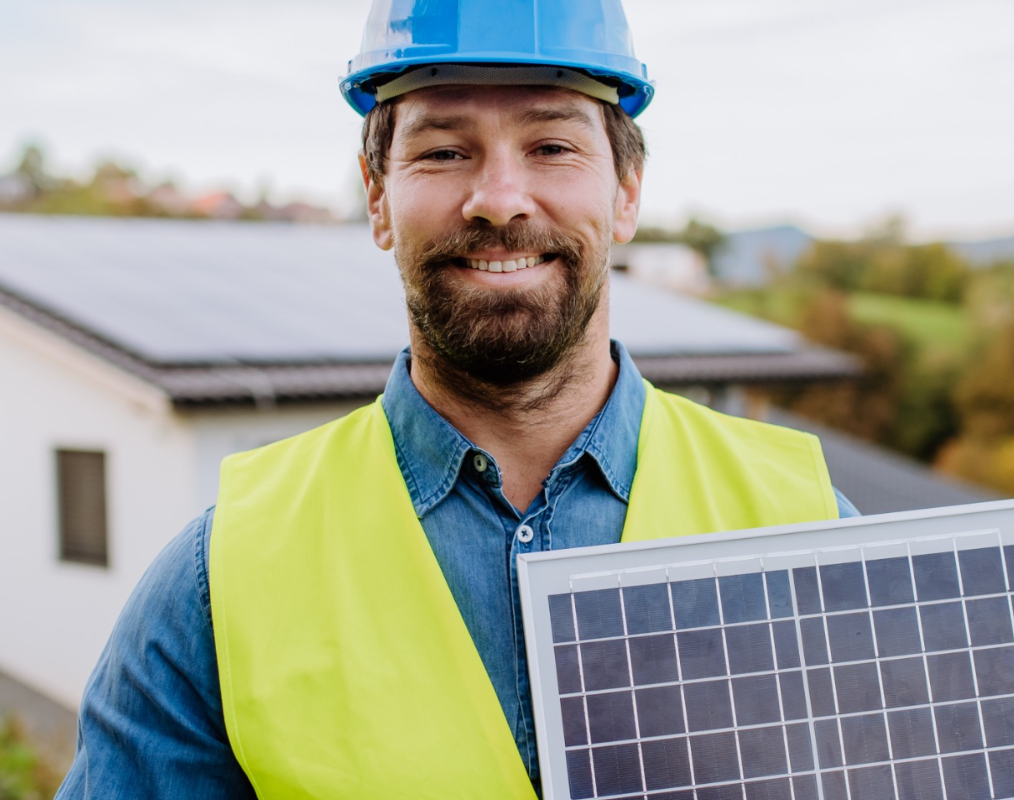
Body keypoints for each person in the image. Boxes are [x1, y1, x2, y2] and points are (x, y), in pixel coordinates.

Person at [54, 1, 855, 797]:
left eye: (550, 145)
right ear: (377, 195)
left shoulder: (819, 533)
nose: (499, 199)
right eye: (443, 151)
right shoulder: (217, 583)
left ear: (626, 192)